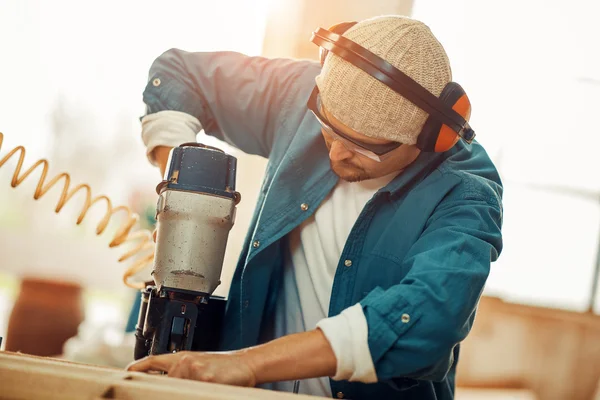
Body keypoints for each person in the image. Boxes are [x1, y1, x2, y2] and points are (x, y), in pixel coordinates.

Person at [127, 15, 503, 400]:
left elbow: (428, 318)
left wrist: (247, 363)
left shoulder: (465, 194)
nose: (336, 154)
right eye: (329, 127)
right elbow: (177, 75)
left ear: (428, 138)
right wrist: (184, 196)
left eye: (362, 146)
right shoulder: (300, 94)